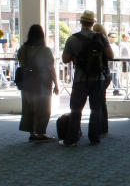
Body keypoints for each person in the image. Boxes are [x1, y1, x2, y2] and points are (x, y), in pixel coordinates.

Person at [61, 10, 114, 146]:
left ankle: (72, 138)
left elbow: (65, 59)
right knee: (96, 109)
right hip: (98, 78)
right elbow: (111, 56)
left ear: (81, 22)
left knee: (76, 109)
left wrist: (76, 56)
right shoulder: (101, 37)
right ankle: (94, 138)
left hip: (80, 79)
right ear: (93, 23)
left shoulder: (72, 39)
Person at [16, 24, 59, 141]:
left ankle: (32, 133)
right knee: (43, 108)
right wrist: (56, 84)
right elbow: (51, 68)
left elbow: (21, 63)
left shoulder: (22, 49)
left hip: (27, 82)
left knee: (29, 107)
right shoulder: (46, 51)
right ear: (42, 36)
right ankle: (40, 133)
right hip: (42, 82)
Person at [92, 24, 112, 136]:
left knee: (96, 102)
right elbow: (111, 56)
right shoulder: (104, 41)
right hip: (105, 73)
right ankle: (103, 127)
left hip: (94, 74)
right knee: (101, 101)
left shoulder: (90, 41)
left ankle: (97, 127)